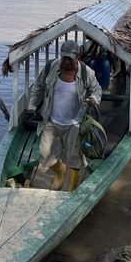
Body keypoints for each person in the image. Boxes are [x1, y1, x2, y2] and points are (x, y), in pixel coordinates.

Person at [28, 40, 102, 192]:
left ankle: (71, 190)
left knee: (75, 158)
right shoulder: (51, 67)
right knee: (45, 154)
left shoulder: (85, 72)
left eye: (70, 58)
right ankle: (60, 169)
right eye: (64, 58)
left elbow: (97, 90)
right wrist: (32, 105)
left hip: (75, 123)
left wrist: (94, 98)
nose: (66, 62)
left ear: (78, 56)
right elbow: (39, 86)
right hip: (51, 120)